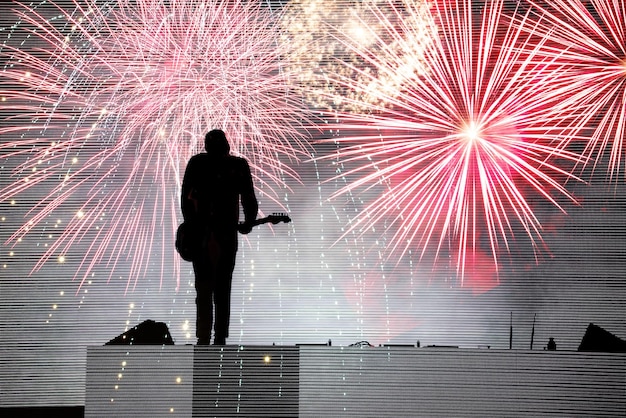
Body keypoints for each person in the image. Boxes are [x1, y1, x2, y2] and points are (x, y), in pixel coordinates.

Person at [181, 129, 258, 345]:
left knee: (205, 288)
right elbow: (249, 199)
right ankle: (218, 337)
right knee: (221, 288)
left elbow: (185, 199)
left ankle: (206, 337)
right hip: (220, 235)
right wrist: (248, 223)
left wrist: (191, 226)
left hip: (203, 234)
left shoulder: (197, 163)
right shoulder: (238, 165)